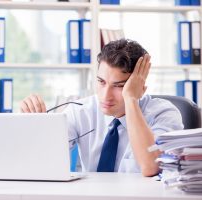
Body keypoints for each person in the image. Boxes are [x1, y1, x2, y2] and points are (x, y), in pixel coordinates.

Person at [20, 39, 183, 177]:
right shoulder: (80, 111)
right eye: (101, 82)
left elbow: (150, 167)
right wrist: (37, 126)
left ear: (140, 87)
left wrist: (131, 99)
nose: (106, 96)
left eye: (119, 86)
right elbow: (42, 161)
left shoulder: (164, 114)